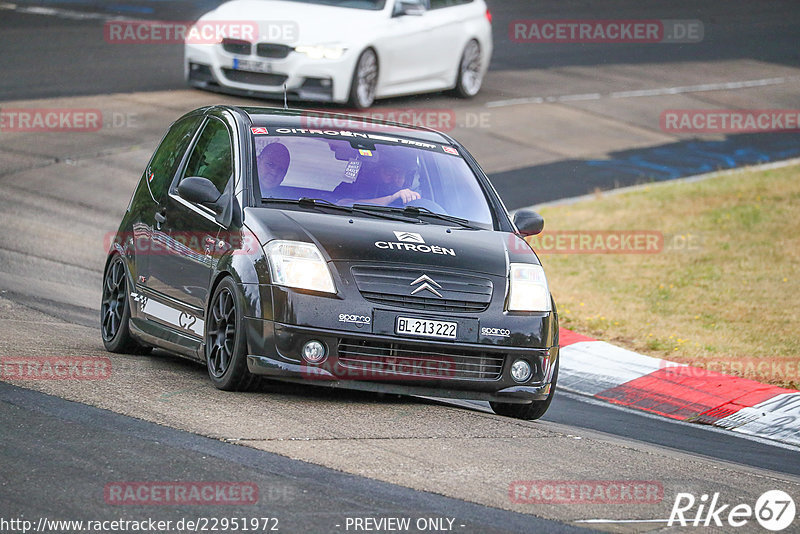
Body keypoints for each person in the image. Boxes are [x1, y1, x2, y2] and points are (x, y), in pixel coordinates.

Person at [334, 150, 420, 206]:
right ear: (376, 172)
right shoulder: (347, 188)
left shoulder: (410, 199)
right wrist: (391, 198)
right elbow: (344, 204)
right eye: (390, 172)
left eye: (401, 174)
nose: (395, 178)